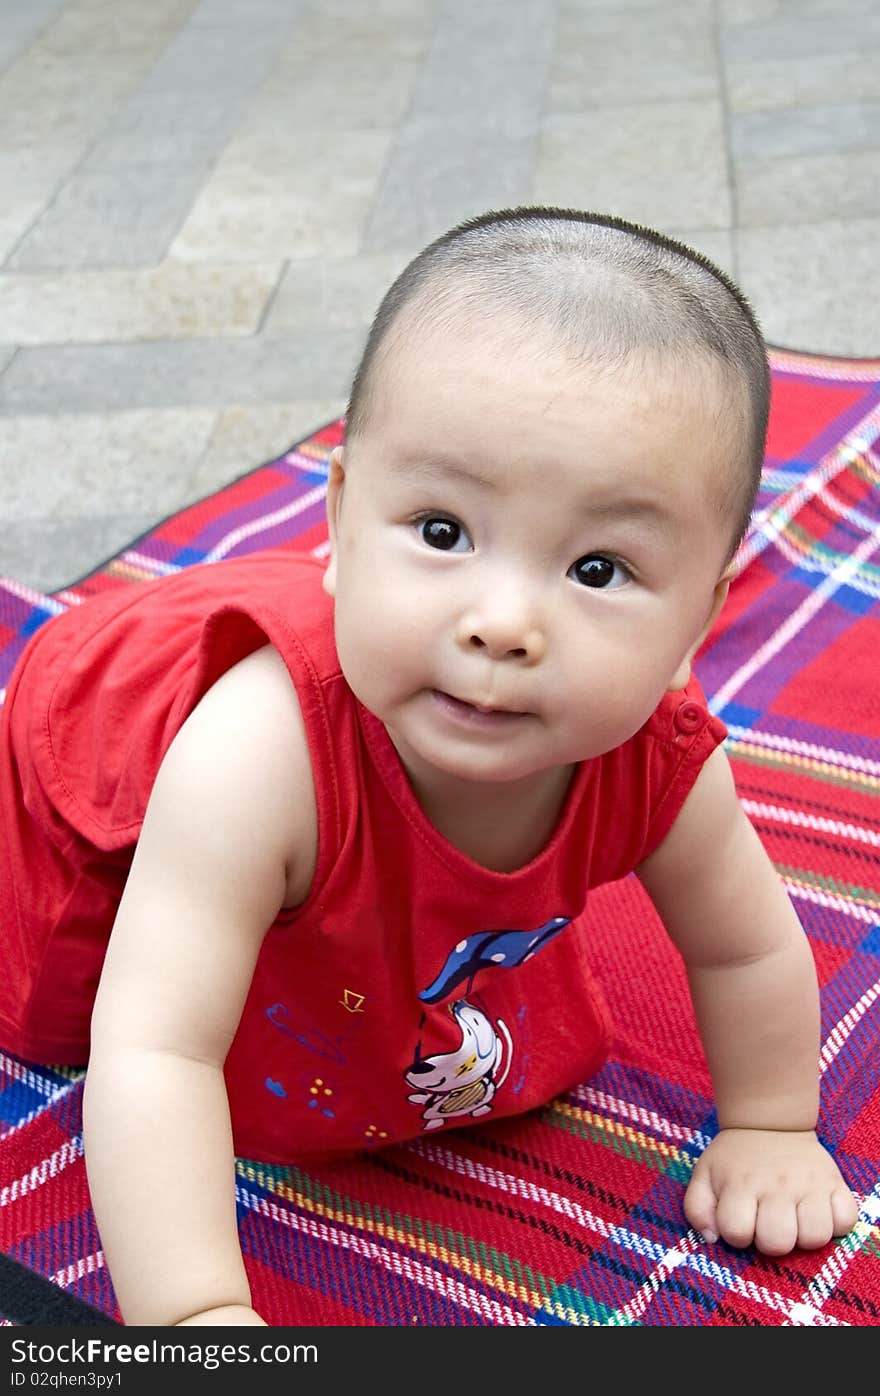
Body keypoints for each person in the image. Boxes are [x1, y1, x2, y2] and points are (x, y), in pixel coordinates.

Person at [0, 207, 859, 1327]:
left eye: (597, 567)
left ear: (700, 613)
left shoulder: (658, 754)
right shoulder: (256, 756)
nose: (502, 623)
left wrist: (769, 1124)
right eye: (443, 531)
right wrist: (194, 1316)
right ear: (343, 519)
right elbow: (156, 1045)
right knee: (63, 998)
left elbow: (745, 944)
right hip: (99, 779)